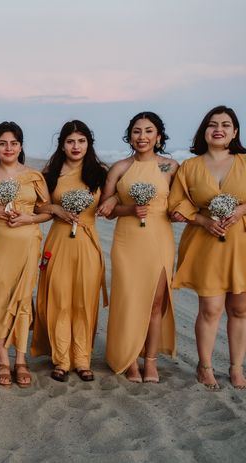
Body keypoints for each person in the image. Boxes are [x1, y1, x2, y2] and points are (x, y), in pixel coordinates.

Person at [0, 121, 51, 388]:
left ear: (21, 146)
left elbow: (47, 212)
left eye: (14, 143)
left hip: (27, 242)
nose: (8, 148)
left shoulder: (34, 176)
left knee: (24, 299)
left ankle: (21, 360)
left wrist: (28, 218)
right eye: (3, 143)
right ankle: (3, 359)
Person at [169, 106, 246, 390]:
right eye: (213, 124)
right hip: (206, 242)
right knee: (211, 308)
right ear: (204, 131)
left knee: (240, 308)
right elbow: (176, 203)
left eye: (226, 125)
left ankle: (236, 367)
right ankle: (205, 366)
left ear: (235, 132)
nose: (219, 129)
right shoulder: (190, 166)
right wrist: (202, 220)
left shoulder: (245, 161)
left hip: (242, 241)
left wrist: (241, 210)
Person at [102, 112, 179, 383]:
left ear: (158, 136)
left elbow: (179, 203)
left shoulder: (170, 167)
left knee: (156, 302)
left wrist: (180, 212)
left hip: (159, 238)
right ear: (130, 136)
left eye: (148, 131)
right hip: (127, 240)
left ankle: (151, 361)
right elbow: (106, 209)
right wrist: (125, 208)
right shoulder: (120, 167)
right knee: (129, 299)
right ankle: (130, 359)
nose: (142, 136)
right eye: (136, 131)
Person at [31, 120, 109, 382]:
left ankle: (82, 358)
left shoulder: (100, 172)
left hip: (88, 241)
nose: (76, 146)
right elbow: (37, 207)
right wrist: (55, 209)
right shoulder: (50, 173)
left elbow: (117, 196)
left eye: (81, 141)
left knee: (84, 301)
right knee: (59, 298)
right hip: (59, 240)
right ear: (62, 145)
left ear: (89, 143)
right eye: (71, 141)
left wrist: (113, 202)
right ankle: (61, 359)